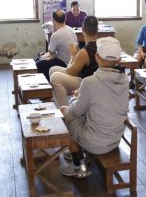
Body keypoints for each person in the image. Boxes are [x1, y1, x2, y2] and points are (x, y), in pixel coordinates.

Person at [59, 37, 129, 178]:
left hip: (96, 143)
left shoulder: (90, 82)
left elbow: (76, 111)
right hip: (115, 139)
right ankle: (79, 150)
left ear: (97, 57)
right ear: (118, 60)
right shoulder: (125, 79)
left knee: (63, 112)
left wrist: (76, 97)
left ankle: (79, 164)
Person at [49, 15, 99, 107]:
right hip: (92, 77)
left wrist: (73, 55)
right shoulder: (100, 45)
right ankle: (59, 98)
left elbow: (69, 71)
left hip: (86, 82)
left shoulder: (84, 52)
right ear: (97, 29)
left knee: (55, 77)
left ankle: (65, 110)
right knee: (53, 69)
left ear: (83, 29)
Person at [36, 9, 78, 81]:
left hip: (64, 63)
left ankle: (48, 86)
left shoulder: (56, 35)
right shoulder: (71, 30)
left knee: (38, 64)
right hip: (73, 62)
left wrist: (40, 57)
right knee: (40, 60)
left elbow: (50, 54)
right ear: (65, 19)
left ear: (53, 20)